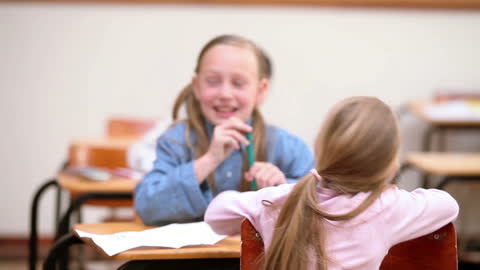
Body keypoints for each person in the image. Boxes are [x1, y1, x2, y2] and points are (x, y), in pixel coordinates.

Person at [205, 96, 459, 270]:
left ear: (320, 148)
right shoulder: (388, 207)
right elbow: (448, 205)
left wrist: (278, 191)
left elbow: (216, 215)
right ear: (390, 165)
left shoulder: (278, 200)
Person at [134, 34, 314, 226]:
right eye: (212, 81)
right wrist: (209, 160)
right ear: (196, 86)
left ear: (260, 91)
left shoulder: (289, 148)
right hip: (192, 256)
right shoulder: (176, 141)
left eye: (238, 84)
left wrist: (282, 188)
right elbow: (147, 207)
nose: (225, 94)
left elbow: (318, 208)